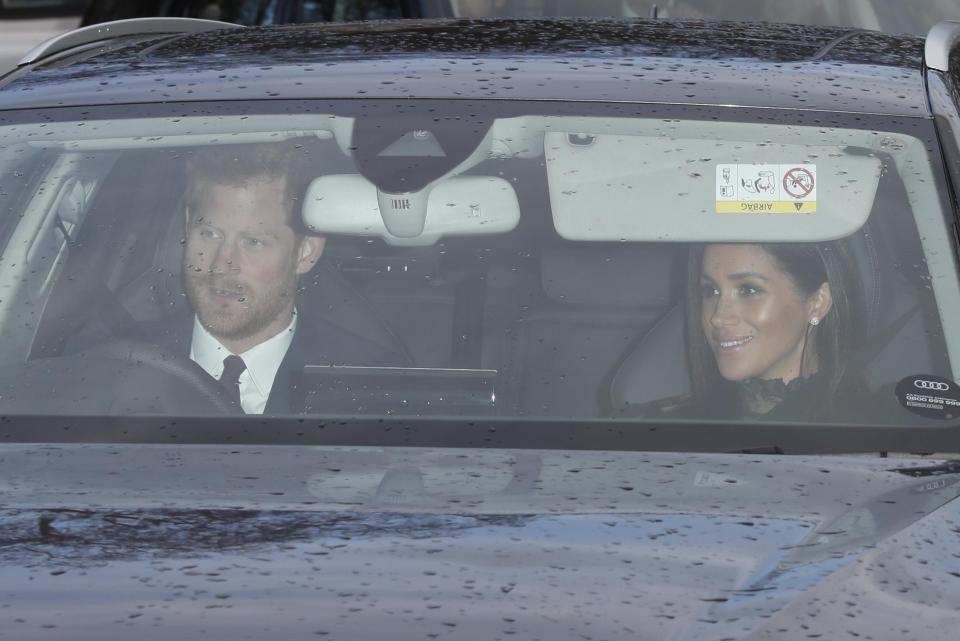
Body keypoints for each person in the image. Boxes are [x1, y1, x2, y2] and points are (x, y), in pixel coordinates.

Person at [169, 141, 403, 414]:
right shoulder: (120, 365)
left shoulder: (369, 388)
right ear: (187, 226)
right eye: (210, 234)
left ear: (306, 252)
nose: (222, 264)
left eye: (253, 242)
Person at [677, 241, 863, 421]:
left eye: (748, 290)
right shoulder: (674, 426)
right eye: (711, 291)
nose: (718, 317)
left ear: (818, 302)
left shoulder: (863, 436)